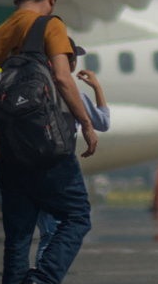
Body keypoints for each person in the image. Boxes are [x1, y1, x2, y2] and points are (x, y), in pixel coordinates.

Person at [0, 0, 98, 284]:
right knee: (77, 215)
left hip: (8, 154)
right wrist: (88, 125)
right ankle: (40, 280)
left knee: (16, 239)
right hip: (48, 148)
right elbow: (62, 78)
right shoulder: (51, 26)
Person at [36, 38, 110, 264]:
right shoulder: (75, 95)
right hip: (58, 165)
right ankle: (39, 281)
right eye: (72, 57)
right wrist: (97, 87)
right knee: (63, 226)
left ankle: (30, 282)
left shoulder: (35, 90)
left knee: (36, 230)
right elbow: (103, 122)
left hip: (27, 163)